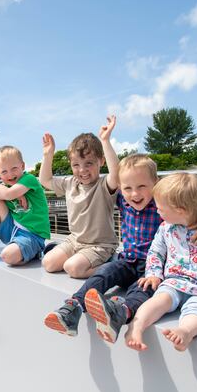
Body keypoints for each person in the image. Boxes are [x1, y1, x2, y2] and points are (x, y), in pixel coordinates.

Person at [44, 154, 197, 340]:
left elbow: (192, 207)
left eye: (142, 187)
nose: (134, 194)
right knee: (104, 273)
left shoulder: (163, 206)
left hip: (154, 269)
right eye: (127, 188)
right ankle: (73, 307)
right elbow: (112, 175)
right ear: (120, 188)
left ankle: (120, 312)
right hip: (127, 261)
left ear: (156, 183)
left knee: (141, 290)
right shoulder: (122, 200)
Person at [126, 173, 197, 352]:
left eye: (160, 209)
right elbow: (156, 251)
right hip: (175, 282)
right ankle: (136, 327)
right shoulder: (166, 228)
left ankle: (185, 331)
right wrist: (153, 273)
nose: (157, 211)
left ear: (179, 210)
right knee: (159, 300)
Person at [39, 116, 120, 278]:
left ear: (101, 161)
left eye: (89, 163)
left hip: (100, 245)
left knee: (73, 268)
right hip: (75, 241)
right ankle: (82, 259)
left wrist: (105, 141)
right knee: (48, 263)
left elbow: (117, 174)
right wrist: (48, 155)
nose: (82, 170)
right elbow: (45, 180)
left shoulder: (104, 185)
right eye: (76, 165)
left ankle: (114, 267)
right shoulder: (70, 183)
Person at [0, 145, 50, 265]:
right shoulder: (6, 185)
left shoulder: (29, 179)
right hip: (13, 229)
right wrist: (13, 194)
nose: (10, 175)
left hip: (32, 235)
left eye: (14, 168)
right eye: (4, 171)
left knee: (8, 256)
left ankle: (36, 250)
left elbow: (7, 194)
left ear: (22, 166)